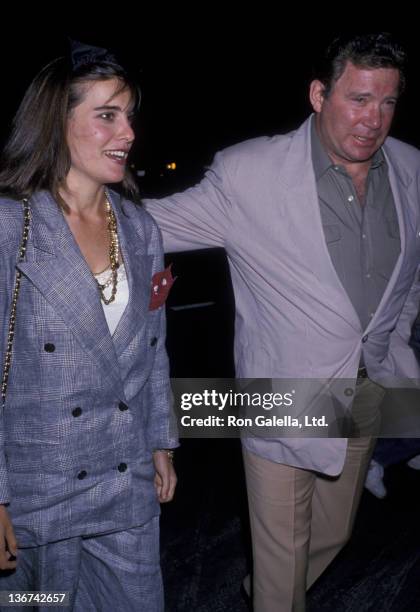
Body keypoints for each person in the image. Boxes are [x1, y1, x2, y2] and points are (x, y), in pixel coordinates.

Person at [144, 33, 420, 611]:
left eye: (388, 102)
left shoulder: (411, 167)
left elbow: (410, 272)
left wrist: (395, 338)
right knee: (282, 556)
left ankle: (271, 591)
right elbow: (149, 226)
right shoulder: (251, 174)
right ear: (319, 95)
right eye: (360, 99)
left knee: (334, 534)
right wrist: (58, 198)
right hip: (275, 395)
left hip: (362, 393)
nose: (375, 119)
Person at [0, 41, 177, 611]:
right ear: (57, 120)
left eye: (129, 116)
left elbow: (153, 349)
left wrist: (159, 442)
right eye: (106, 115)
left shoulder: (140, 228)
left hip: (123, 477)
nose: (126, 132)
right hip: (38, 491)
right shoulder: (11, 226)